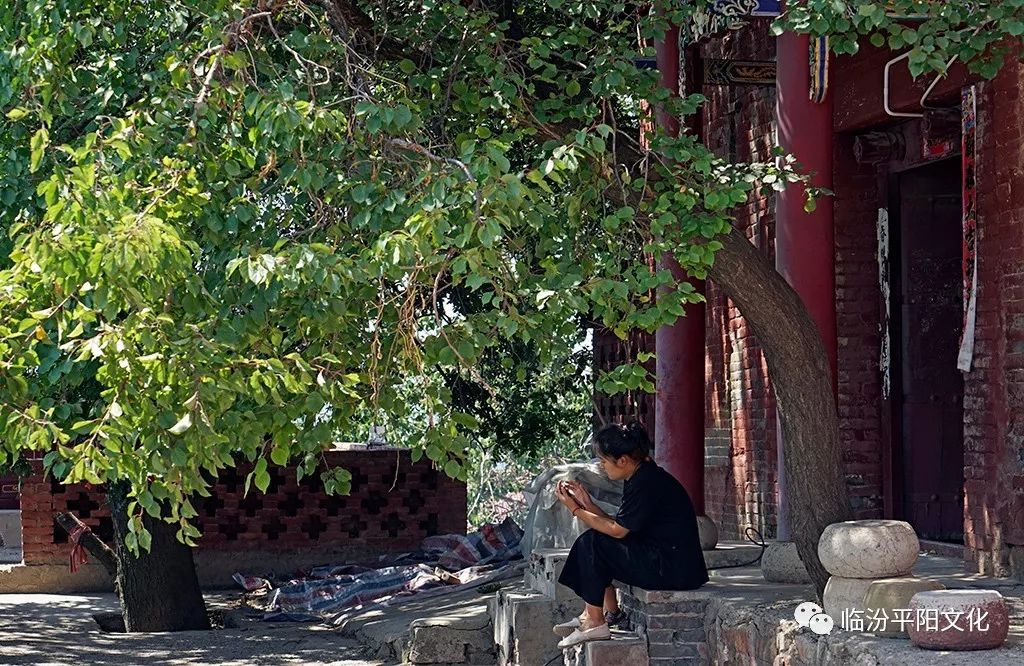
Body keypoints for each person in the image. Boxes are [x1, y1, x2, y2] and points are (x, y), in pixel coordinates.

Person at [552, 422, 708, 648]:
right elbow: (621, 525)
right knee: (596, 540)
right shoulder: (641, 474)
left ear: (623, 460)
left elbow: (617, 530)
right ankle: (602, 614)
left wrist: (575, 510)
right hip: (665, 560)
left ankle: (595, 622)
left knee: (594, 542)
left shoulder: (647, 481)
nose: (602, 466)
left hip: (672, 569)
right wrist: (587, 503)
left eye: (604, 461)